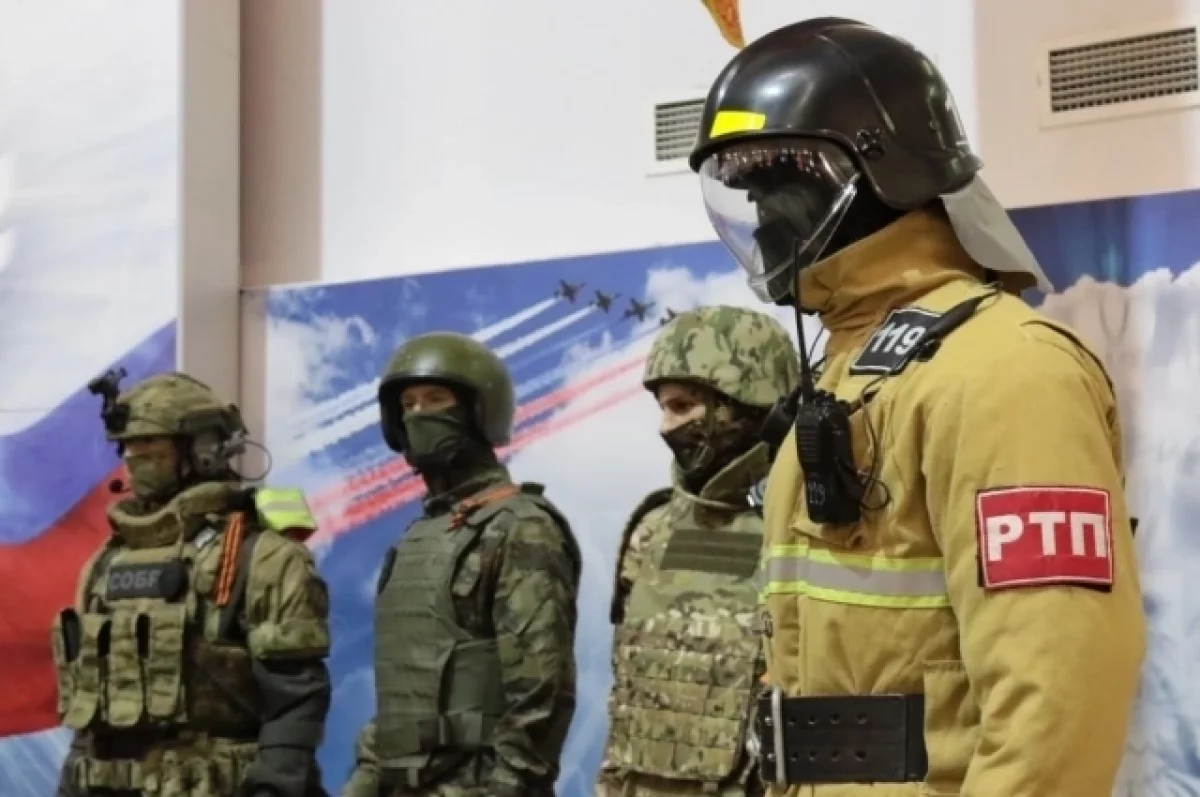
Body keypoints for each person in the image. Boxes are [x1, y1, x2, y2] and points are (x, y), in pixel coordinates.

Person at [687, 18, 1145, 797]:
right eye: (747, 189)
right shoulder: (847, 371)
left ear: (885, 167)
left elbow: (1055, 705)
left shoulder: (1004, 372)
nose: (763, 214)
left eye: (782, 178)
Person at [54, 370, 331, 797]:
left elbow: (295, 702)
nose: (134, 456)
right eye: (128, 445)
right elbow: (89, 708)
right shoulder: (105, 564)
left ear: (202, 449)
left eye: (151, 442)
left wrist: (273, 789)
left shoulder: (263, 558)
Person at [343, 331, 581, 797]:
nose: (418, 414)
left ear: (478, 411)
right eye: (407, 405)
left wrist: (508, 787)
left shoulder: (521, 527)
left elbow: (542, 695)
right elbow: (402, 695)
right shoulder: (416, 539)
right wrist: (367, 778)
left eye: (436, 399)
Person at [596, 305, 799, 797]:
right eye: (663, 408)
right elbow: (627, 700)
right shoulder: (652, 529)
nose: (665, 426)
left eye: (684, 406)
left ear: (743, 401)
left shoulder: (805, 528)